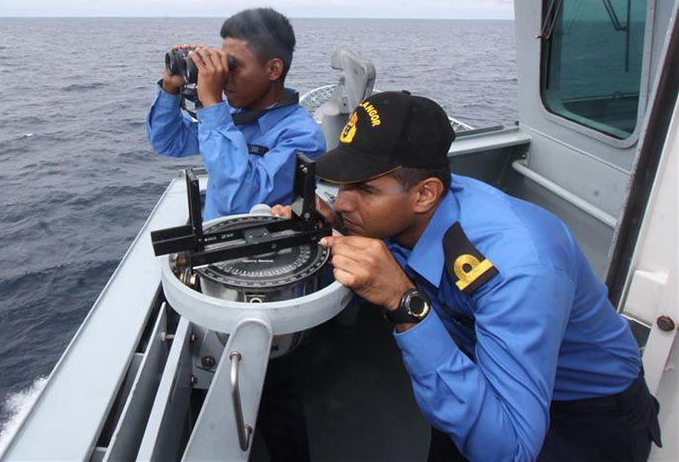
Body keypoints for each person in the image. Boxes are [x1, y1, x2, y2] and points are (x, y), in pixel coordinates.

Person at [275, 90, 662, 461]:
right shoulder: (406, 216)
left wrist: (405, 304)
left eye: (364, 189)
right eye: (341, 184)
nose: (341, 202)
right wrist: (324, 236)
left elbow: (511, 449)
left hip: (584, 409)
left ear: (426, 194)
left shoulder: (519, 268)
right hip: (478, 366)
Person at [146, 7, 326, 220]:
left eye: (233, 66)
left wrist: (212, 104)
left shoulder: (303, 136)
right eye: (222, 63)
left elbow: (239, 202)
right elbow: (169, 141)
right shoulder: (233, 114)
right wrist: (171, 88)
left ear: (273, 70)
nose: (224, 76)